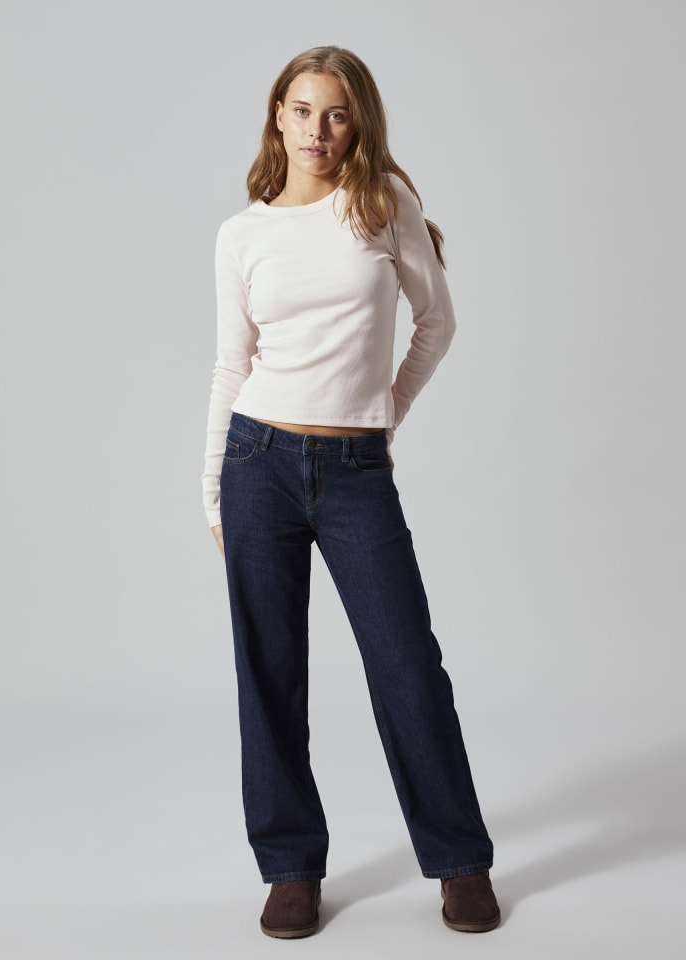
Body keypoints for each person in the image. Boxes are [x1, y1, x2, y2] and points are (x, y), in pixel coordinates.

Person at [201, 45, 500, 939]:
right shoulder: (241, 234)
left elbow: (437, 322)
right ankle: (290, 868)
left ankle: (460, 862)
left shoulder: (381, 204)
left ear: (357, 120)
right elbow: (230, 366)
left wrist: (384, 415)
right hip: (256, 463)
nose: (317, 130)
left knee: (408, 666)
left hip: (355, 473)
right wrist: (212, 491)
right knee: (268, 672)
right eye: (302, 110)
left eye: (335, 113)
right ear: (277, 115)